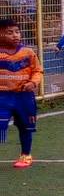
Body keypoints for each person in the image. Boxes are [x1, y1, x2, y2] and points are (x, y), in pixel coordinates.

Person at [1, 16, 41, 168]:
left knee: (25, 126)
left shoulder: (28, 52)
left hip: (24, 96)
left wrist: (33, 82)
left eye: (17, 32)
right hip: (3, 96)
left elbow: (37, 71)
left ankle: (26, 155)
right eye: (10, 32)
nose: (15, 35)